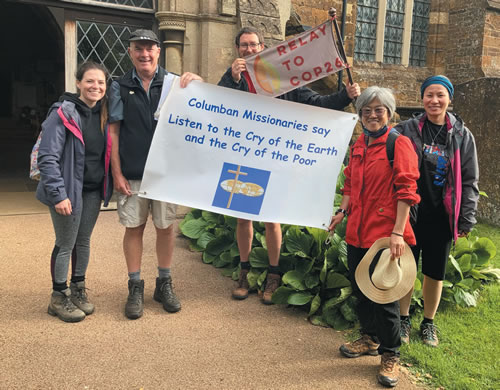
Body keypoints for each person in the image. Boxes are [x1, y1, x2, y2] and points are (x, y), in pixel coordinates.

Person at [218, 26, 361, 304]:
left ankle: (273, 275)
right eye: (244, 45)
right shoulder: (233, 77)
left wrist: (345, 95)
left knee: (273, 219)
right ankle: (244, 272)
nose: (248, 49)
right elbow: (219, 107)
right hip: (244, 156)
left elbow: (317, 103)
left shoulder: (282, 78)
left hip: (276, 159)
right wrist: (233, 80)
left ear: (263, 47)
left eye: (253, 45)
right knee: (243, 218)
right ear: (238, 50)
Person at [328, 87, 420, 387]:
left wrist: (397, 232)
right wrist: (341, 211)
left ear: (390, 113)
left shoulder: (399, 144)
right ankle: (369, 338)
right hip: (356, 231)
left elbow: (407, 192)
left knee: (384, 297)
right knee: (360, 289)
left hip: (385, 234)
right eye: (366, 110)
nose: (372, 115)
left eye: (379, 109)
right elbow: (351, 184)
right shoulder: (359, 144)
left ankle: (391, 354)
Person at [108, 29, 202, 320]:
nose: (144, 54)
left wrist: (199, 85)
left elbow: (202, 113)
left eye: (150, 48)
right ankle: (135, 286)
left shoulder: (176, 84)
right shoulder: (119, 86)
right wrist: (117, 173)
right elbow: (113, 131)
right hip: (133, 172)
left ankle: (164, 283)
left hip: (166, 173)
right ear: (131, 52)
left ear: (159, 51)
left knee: (165, 228)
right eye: (138, 48)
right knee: (134, 228)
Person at [396, 75, 479, 347]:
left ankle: (428, 323)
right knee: (406, 268)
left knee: (435, 272)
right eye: (429, 94)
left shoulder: (462, 135)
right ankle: (404, 319)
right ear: (422, 98)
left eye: (440, 95)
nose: (434, 100)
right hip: (412, 212)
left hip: (443, 216)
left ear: (449, 99)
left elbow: (469, 179)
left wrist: (466, 217)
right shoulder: (406, 130)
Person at [36, 61, 113, 323]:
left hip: (92, 191)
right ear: (78, 83)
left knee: (83, 241)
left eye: (101, 82)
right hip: (67, 191)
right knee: (65, 243)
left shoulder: (105, 112)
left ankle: (78, 288)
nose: (96, 86)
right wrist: (58, 194)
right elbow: (46, 157)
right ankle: (58, 296)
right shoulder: (63, 113)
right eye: (90, 81)